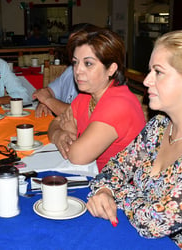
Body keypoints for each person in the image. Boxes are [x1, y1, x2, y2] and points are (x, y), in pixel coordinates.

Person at [86, 29, 182, 249]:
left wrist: (116, 191)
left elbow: (153, 222)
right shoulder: (160, 125)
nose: (146, 81)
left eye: (158, 72)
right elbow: (114, 167)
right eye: (149, 71)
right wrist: (104, 190)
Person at [48, 28, 146, 172]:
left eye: (88, 64)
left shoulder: (118, 104)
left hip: (118, 189)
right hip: (93, 177)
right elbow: (55, 123)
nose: (77, 70)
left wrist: (71, 133)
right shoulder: (86, 96)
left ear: (111, 69)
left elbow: (77, 156)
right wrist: (59, 135)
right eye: (75, 63)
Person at [32, 23, 100, 117]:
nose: (73, 50)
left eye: (77, 44)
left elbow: (78, 114)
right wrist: (44, 103)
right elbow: (48, 91)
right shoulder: (70, 70)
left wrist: (48, 101)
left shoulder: (97, 77)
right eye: (70, 45)